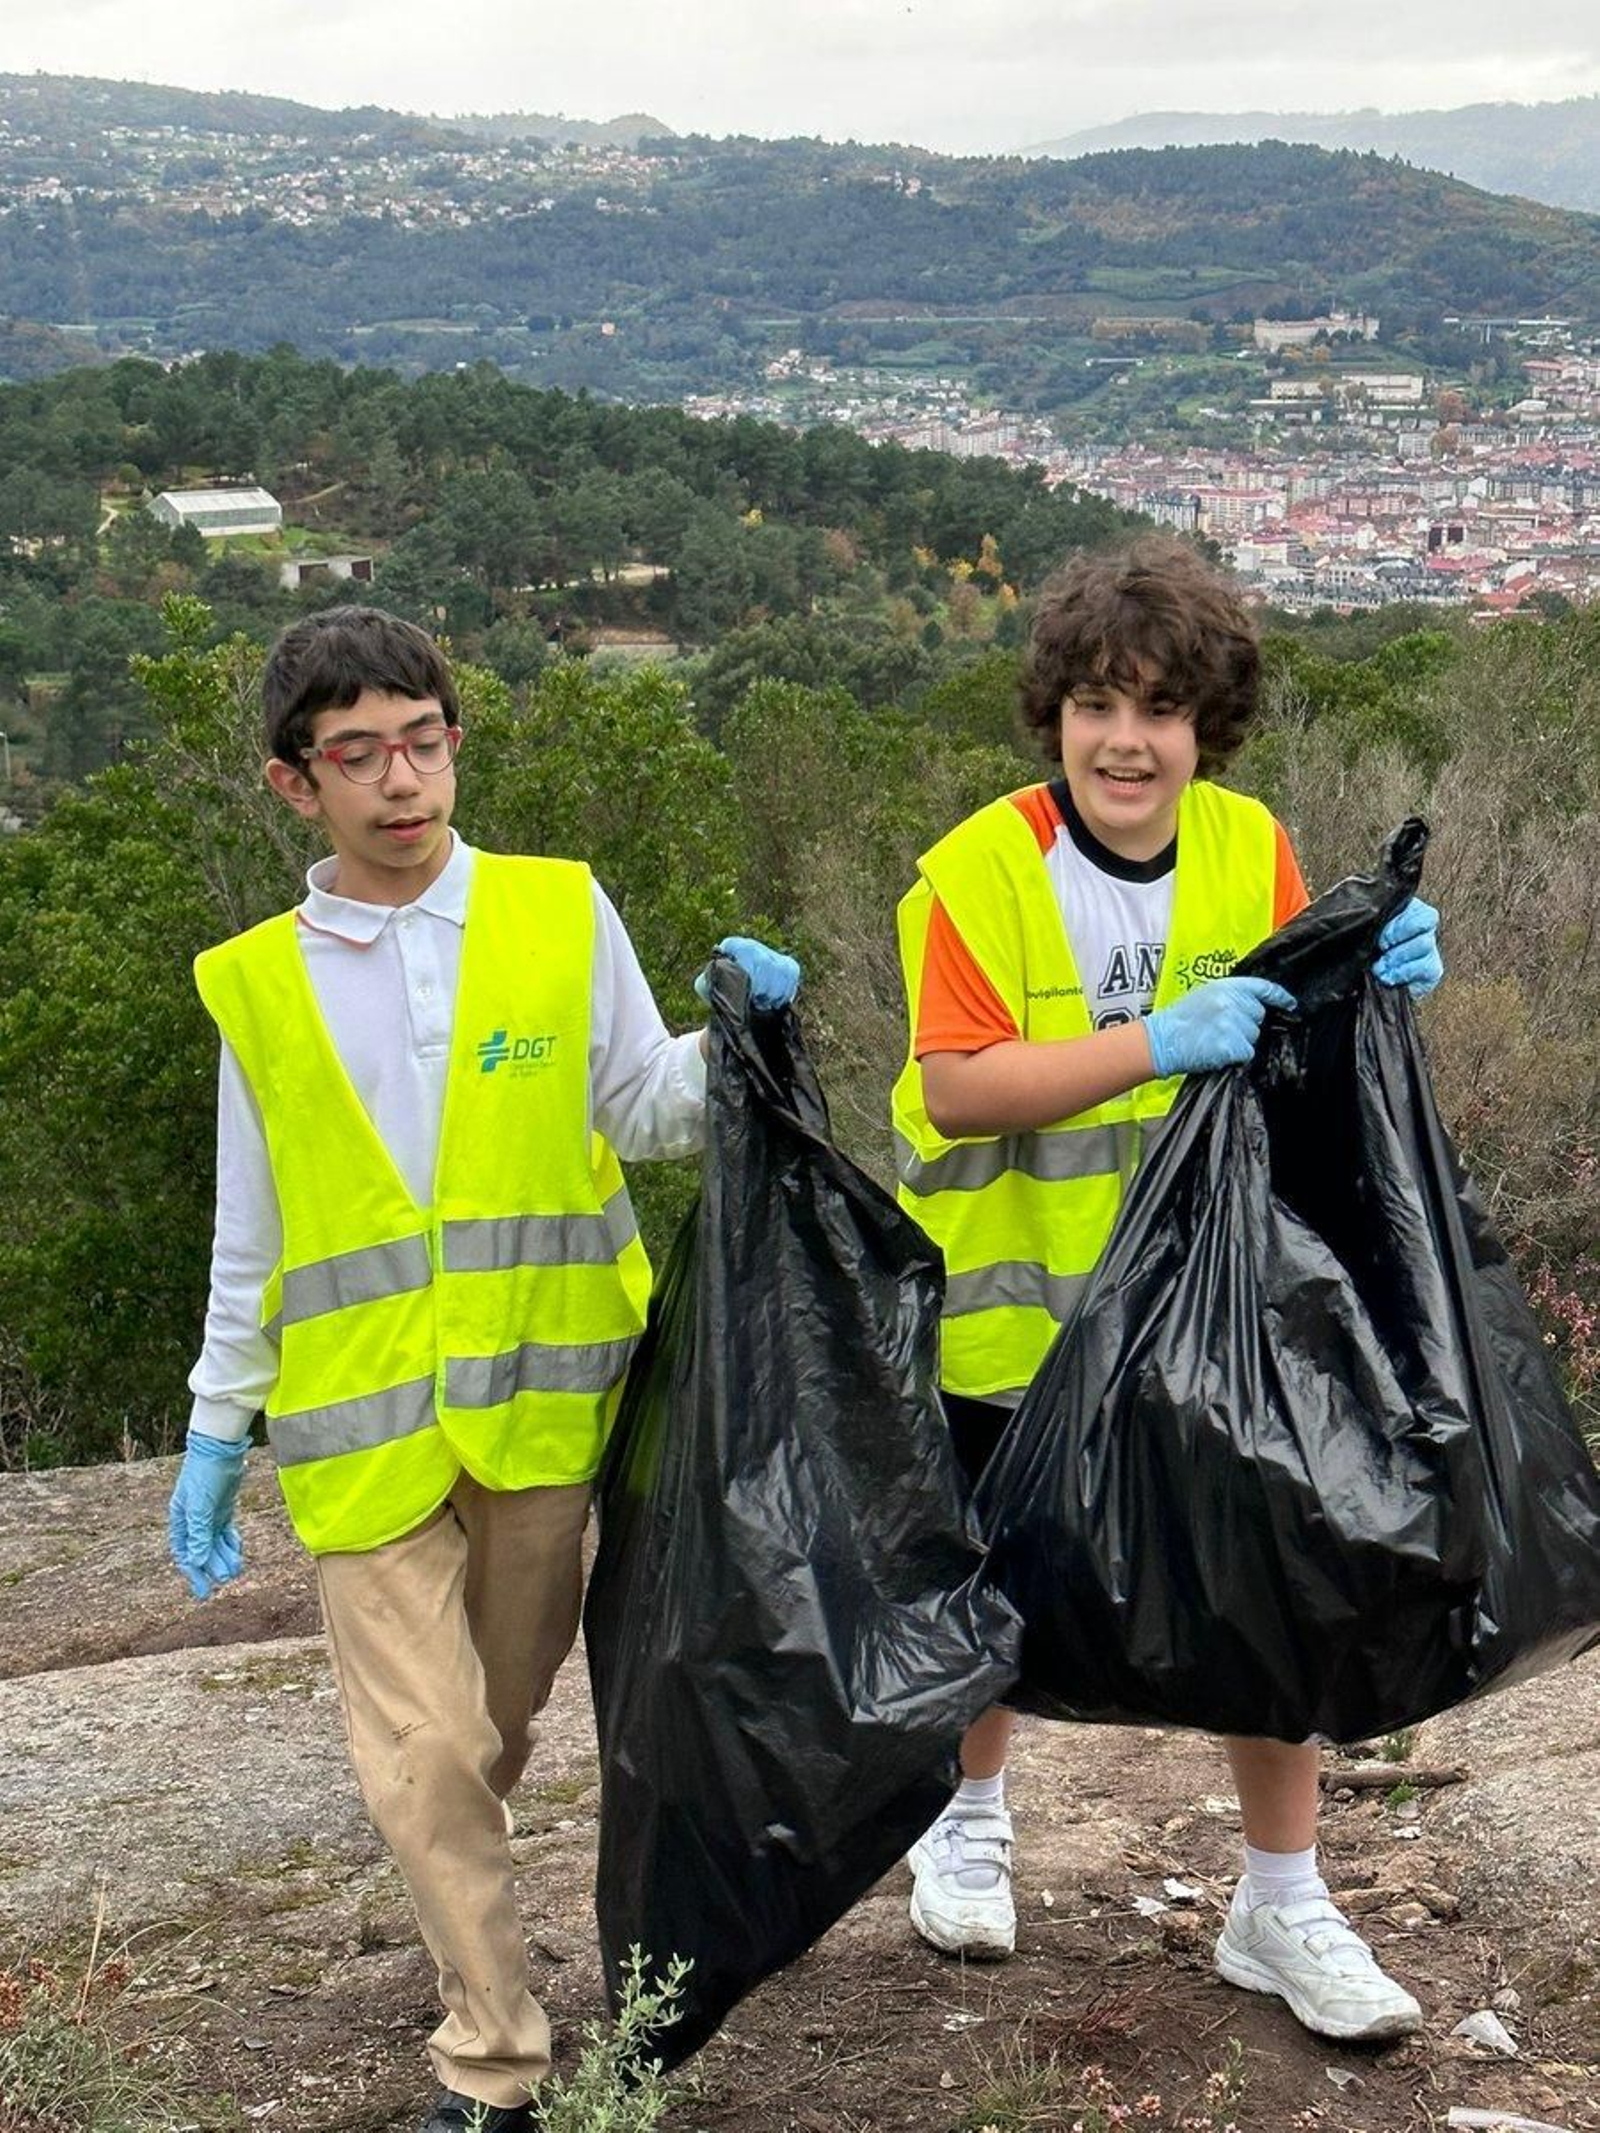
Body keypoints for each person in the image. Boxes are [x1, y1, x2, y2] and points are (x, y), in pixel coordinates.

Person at [166, 606, 799, 2133]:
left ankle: (464, 1930)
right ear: (291, 784)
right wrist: (212, 1423)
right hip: (358, 1427)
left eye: (423, 741)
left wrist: (748, 1036)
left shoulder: (554, 912)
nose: (401, 779)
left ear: (455, 740)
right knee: (429, 1745)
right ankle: (492, 2057)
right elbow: (253, 1226)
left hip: (544, 1411)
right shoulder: (258, 983)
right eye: (357, 754)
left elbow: (644, 1105)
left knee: (490, 1737)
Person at [891, 537, 1443, 2043]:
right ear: (1052, 715)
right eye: (1093, 703)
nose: (1124, 739)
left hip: (1209, 1320)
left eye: (1159, 708)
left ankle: (1281, 1900)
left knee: (1264, 1590)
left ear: (1207, 726)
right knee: (992, 1586)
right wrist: (1155, 1041)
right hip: (1017, 1320)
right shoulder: (979, 870)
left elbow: (1290, 1023)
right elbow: (956, 1088)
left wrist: (1373, 967)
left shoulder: (1247, 843)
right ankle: (974, 1817)